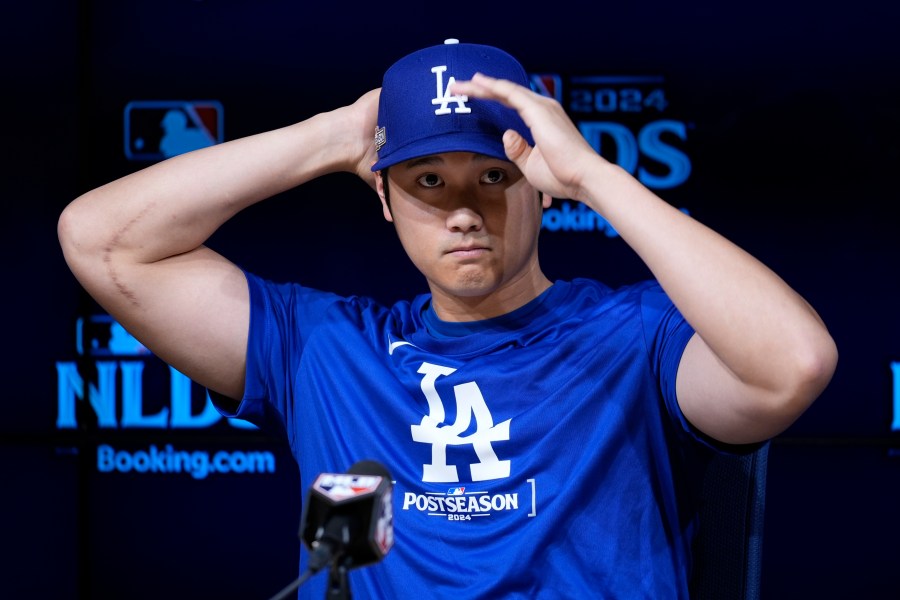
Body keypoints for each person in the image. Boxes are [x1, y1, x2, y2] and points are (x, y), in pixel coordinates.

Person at [58, 39, 838, 598]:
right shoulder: (326, 350)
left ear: (539, 184)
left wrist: (594, 177)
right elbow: (103, 244)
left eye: (495, 175)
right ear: (384, 199)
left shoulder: (634, 338)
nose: (464, 210)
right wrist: (331, 137)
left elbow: (792, 363)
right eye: (428, 179)